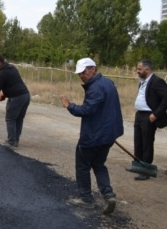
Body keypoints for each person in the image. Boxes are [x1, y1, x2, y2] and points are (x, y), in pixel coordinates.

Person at [59, 58, 122, 215]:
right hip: (108, 135)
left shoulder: (95, 88)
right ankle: (109, 195)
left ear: (93, 69)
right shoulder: (108, 83)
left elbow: (86, 110)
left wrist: (69, 106)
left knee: (83, 166)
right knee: (99, 165)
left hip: (94, 136)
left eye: (84, 71)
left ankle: (86, 199)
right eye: (80, 73)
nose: (81, 75)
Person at [0, 54, 30, 147]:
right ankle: (15, 140)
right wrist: (5, 94)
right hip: (25, 96)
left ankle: (11, 142)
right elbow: (13, 82)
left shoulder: (1, 73)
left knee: (10, 119)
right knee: (19, 119)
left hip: (17, 98)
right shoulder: (11, 67)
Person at [132, 59, 167, 180]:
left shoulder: (157, 82)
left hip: (149, 116)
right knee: (138, 142)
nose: (137, 71)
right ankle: (138, 166)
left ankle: (146, 170)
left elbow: (165, 99)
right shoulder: (142, 81)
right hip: (139, 115)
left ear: (147, 69)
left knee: (146, 143)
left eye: (139, 69)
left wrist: (156, 114)